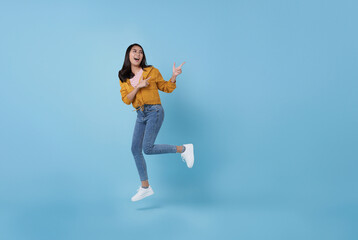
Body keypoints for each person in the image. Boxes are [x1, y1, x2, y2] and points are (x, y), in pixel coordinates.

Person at [118, 43, 194, 202]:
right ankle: (145, 187)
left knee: (147, 148)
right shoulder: (123, 76)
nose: (138, 54)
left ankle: (184, 149)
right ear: (128, 55)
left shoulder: (151, 71)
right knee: (135, 149)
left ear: (143, 56)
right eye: (134, 51)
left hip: (154, 111)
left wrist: (174, 76)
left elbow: (166, 87)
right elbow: (126, 99)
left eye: (140, 52)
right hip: (140, 114)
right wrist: (138, 86)